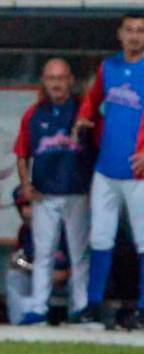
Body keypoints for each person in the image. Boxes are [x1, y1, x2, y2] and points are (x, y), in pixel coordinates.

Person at [74, 12, 144, 326]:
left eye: (141, 31)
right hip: (106, 167)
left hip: (138, 169)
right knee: (100, 236)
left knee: (143, 239)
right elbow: (92, 101)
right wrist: (83, 120)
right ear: (120, 34)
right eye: (129, 30)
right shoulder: (109, 67)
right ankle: (93, 305)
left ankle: (142, 308)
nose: (134, 36)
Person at [12, 58, 93, 325]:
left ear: (70, 80)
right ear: (44, 82)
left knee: (79, 252)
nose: (56, 84)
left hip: (77, 191)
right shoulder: (34, 114)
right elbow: (22, 152)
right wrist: (26, 185)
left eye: (61, 78)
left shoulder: (84, 112)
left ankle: (80, 307)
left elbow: (98, 149)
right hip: (45, 194)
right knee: (44, 252)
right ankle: (38, 308)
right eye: (51, 78)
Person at [5, 187, 72, 326]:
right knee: (14, 277)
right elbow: (20, 258)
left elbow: (82, 263)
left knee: (77, 283)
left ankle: (79, 320)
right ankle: (22, 324)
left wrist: (66, 273)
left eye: (28, 205)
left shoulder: (65, 226)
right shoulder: (24, 231)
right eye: (21, 207)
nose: (25, 212)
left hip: (65, 281)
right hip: (40, 279)